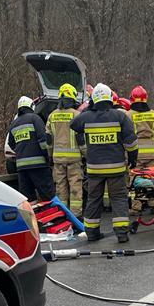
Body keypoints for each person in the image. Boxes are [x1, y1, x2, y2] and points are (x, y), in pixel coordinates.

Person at [71, 83, 138, 243]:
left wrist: (89, 108)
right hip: (116, 168)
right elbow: (131, 142)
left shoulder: (87, 117)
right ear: (110, 98)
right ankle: (121, 234)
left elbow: (74, 124)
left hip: (94, 170)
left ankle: (92, 233)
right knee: (119, 199)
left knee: (94, 200)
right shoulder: (120, 116)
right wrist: (133, 159)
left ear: (93, 100)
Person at [7, 95, 54, 201]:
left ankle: (33, 212)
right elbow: (43, 141)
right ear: (31, 106)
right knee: (48, 195)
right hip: (38, 166)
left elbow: (11, 143)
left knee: (29, 199)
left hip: (22, 168)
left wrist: (21, 152)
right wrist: (48, 157)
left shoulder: (14, 123)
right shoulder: (35, 118)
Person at [47, 83, 83, 216]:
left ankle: (62, 214)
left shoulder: (52, 116)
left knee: (60, 187)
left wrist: (50, 156)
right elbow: (81, 139)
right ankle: (76, 215)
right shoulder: (77, 115)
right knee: (75, 187)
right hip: (74, 159)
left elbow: (48, 140)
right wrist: (86, 154)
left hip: (57, 159)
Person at [128, 85, 154, 168]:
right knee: (152, 175)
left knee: (136, 176)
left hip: (136, 154)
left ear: (132, 99)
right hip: (152, 154)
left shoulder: (128, 115)